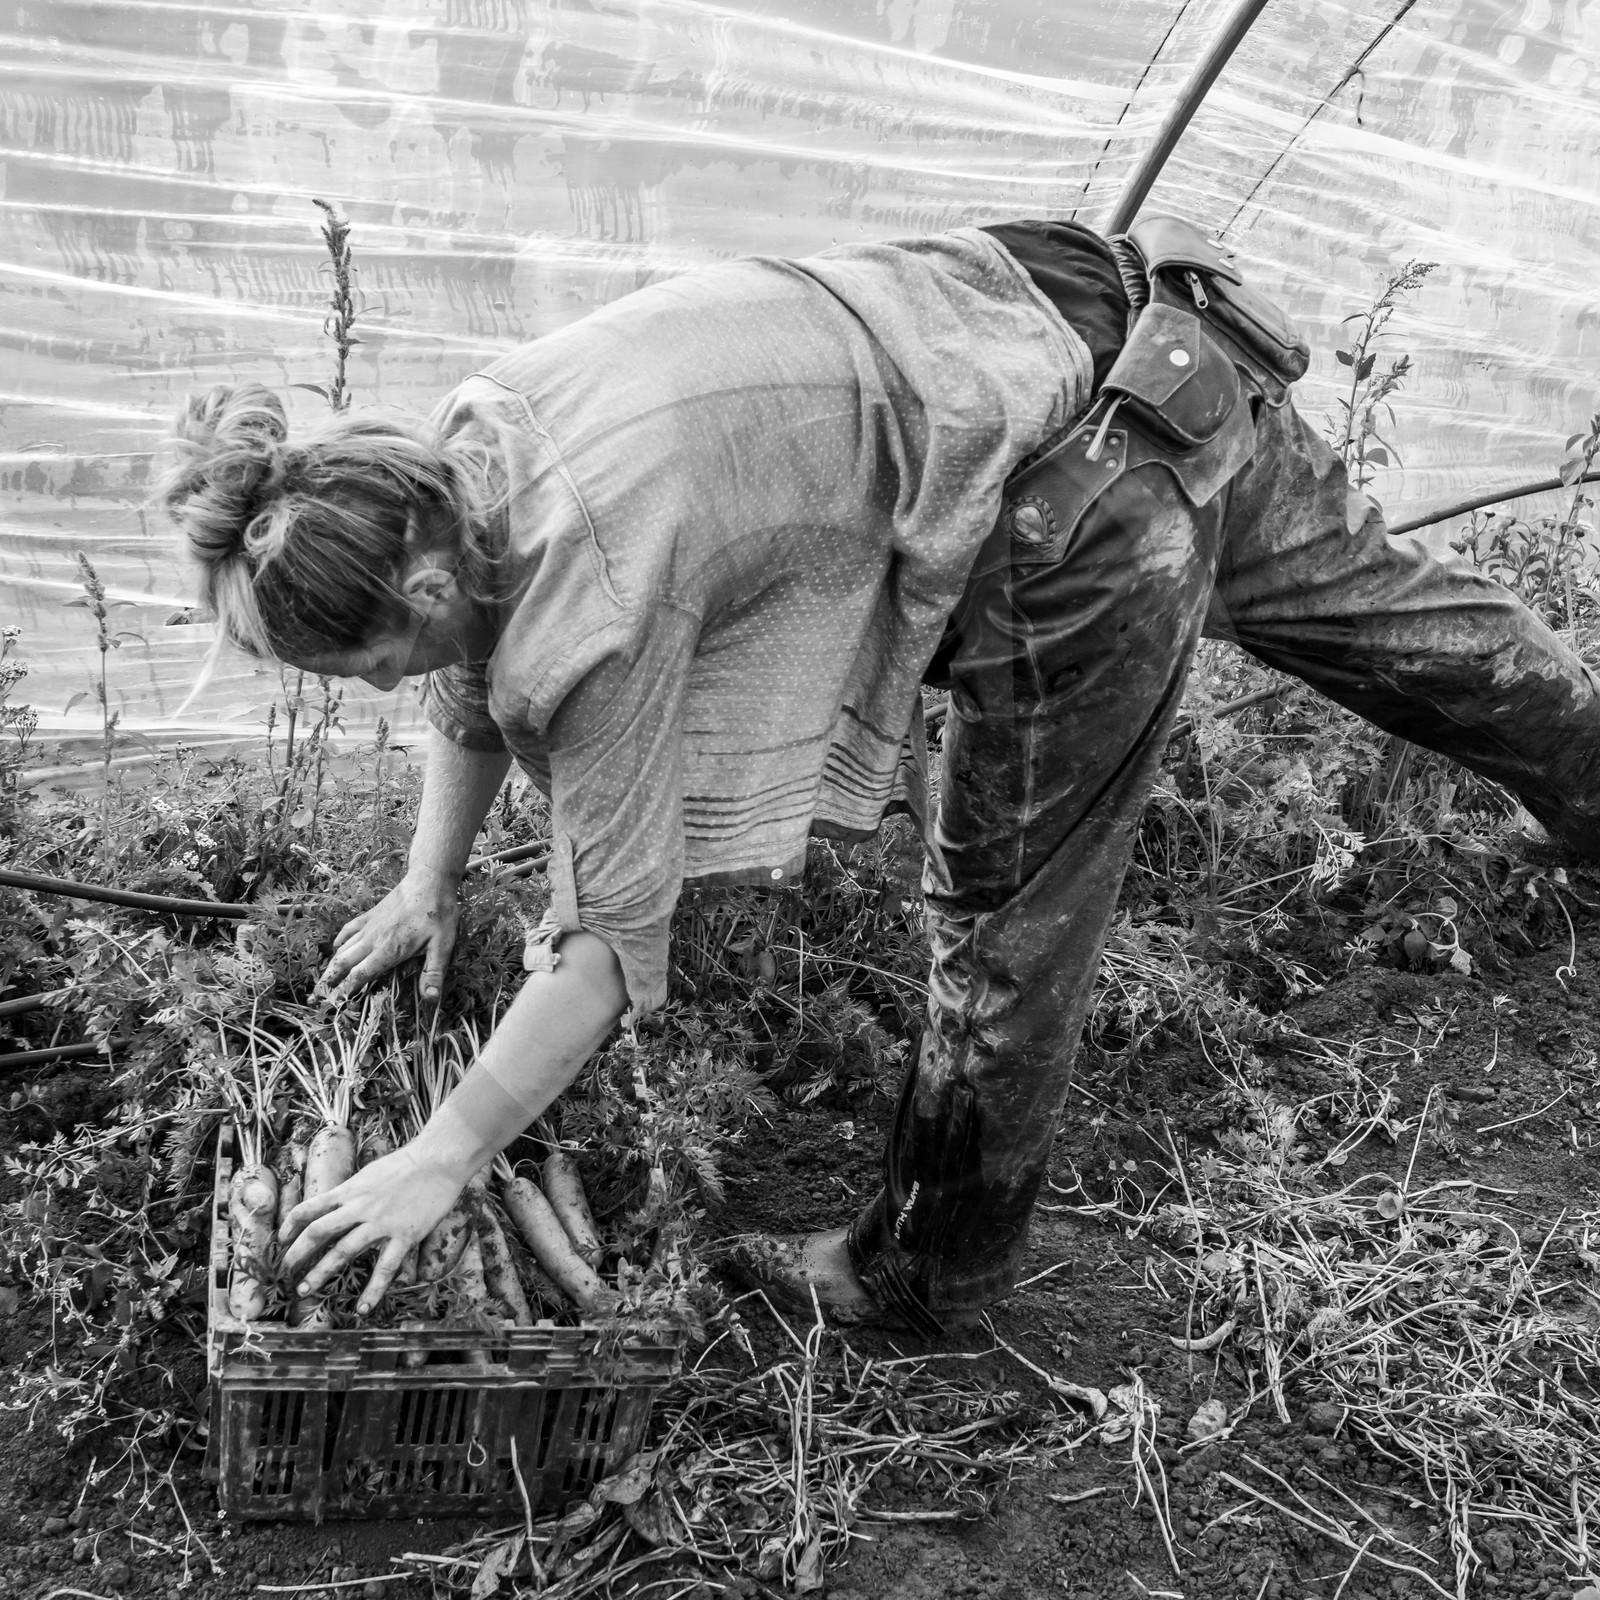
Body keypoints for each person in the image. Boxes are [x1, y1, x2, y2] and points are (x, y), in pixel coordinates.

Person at [159, 217, 1600, 1335]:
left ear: (417, 583)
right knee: (1395, 619)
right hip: (1129, 332)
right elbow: (470, 674)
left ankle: (922, 1276)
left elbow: (604, 949)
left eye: (361, 664)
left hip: (1080, 500)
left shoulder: (593, 588)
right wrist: (431, 878)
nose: (377, 692)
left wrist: (445, 1153)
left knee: (1006, 909)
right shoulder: (471, 449)